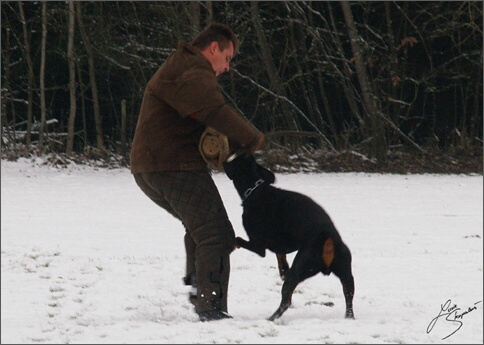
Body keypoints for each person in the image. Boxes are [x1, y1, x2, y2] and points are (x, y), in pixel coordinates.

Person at [130, 23, 265, 322]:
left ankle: (198, 284)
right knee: (215, 234)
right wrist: (252, 137)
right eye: (227, 58)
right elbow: (214, 112)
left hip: (153, 166)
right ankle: (210, 307)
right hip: (170, 165)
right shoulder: (192, 70)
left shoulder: (183, 67)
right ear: (213, 48)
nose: (227, 68)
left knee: (203, 228)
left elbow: (201, 117)